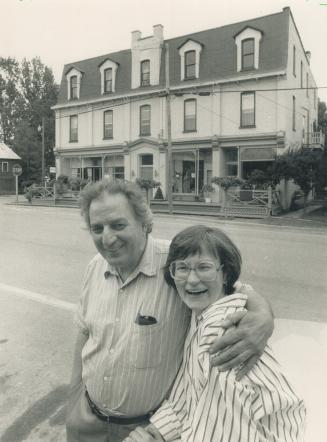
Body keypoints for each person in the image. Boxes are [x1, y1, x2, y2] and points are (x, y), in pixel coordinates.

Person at [66, 179, 274, 442]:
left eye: (118, 225)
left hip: (146, 431)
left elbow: (235, 289)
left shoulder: (177, 265)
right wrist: (72, 403)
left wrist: (264, 316)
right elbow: (84, 336)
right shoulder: (95, 266)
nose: (107, 238)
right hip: (85, 422)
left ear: (144, 223)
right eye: (97, 228)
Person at [125, 225, 305, 442]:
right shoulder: (202, 312)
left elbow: (224, 434)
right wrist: (157, 431)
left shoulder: (219, 330)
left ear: (225, 274)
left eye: (204, 267)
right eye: (182, 268)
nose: (191, 280)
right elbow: (190, 394)